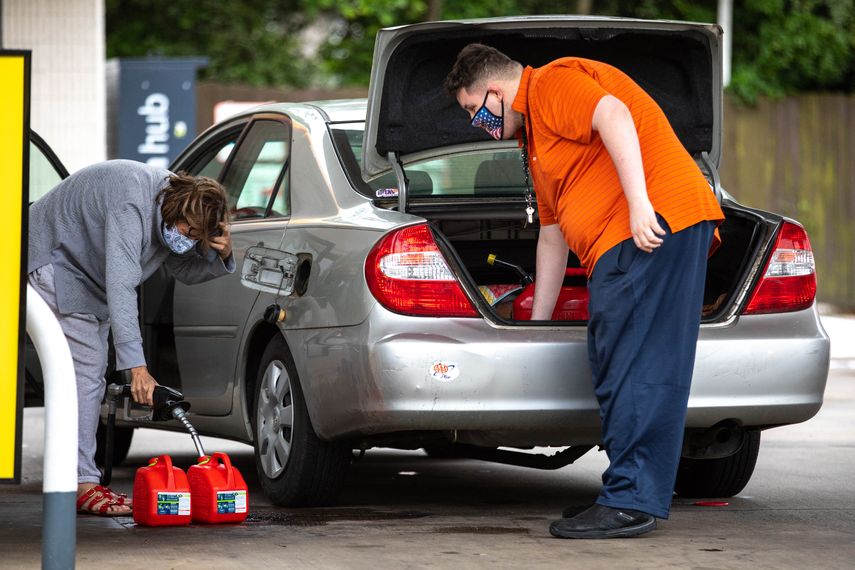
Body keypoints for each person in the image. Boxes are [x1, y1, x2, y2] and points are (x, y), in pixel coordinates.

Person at [444, 44, 725, 538]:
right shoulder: (534, 140)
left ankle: (631, 501)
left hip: (648, 229)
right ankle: (625, 492)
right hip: (622, 242)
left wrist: (640, 205)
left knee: (639, 366)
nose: (475, 123)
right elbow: (552, 237)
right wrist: (535, 327)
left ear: (494, 91)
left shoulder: (550, 83)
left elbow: (613, 114)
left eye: (474, 111)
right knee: (613, 360)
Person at [28, 159, 235, 516]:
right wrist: (136, 367)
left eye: (196, 238)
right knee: (85, 374)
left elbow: (182, 267)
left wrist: (222, 255)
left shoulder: (174, 211)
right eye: (188, 233)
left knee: (88, 376)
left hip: (87, 275)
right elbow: (122, 285)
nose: (187, 242)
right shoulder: (132, 200)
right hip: (54, 261)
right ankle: (81, 483)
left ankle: (79, 478)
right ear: (177, 210)